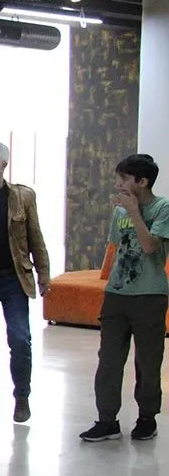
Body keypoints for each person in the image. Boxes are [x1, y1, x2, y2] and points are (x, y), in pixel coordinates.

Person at [80, 154, 169, 443]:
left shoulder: (162, 208)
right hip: (117, 294)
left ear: (142, 181)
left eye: (124, 178)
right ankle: (106, 420)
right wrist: (127, 210)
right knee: (108, 359)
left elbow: (150, 246)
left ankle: (147, 417)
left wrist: (134, 211)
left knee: (148, 360)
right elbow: (118, 247)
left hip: (149, 295)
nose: (118, 184)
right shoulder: (120, 212)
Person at [0, 140, 50, 423]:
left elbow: (35, 237)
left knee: (19, 338)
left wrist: (44, 274)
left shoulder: (21, 196)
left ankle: (22, 397)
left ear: (3, 164)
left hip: (12, 279)